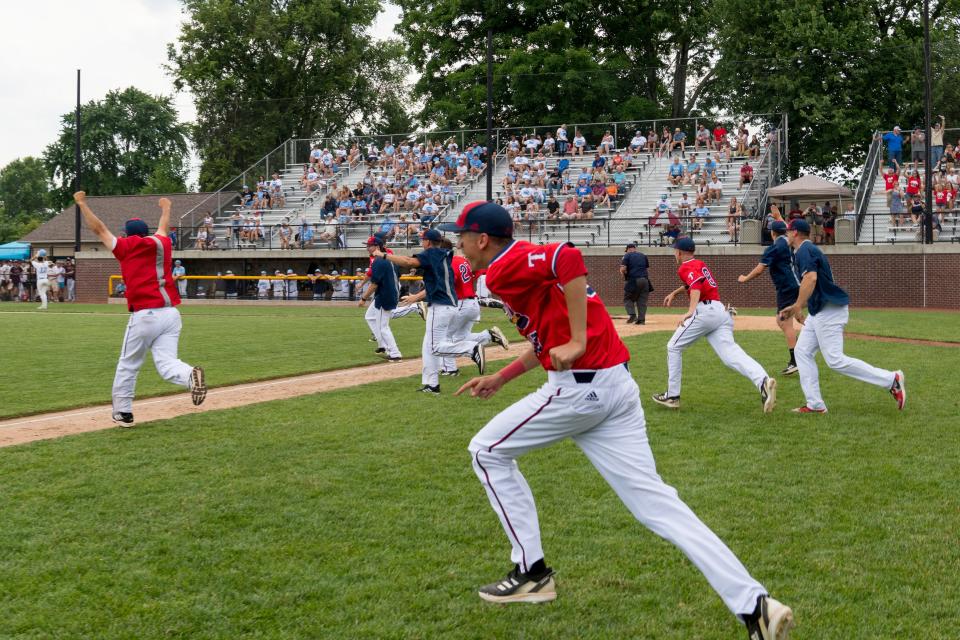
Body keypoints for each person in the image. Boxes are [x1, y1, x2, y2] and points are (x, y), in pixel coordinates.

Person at [437, 202, 794, 640]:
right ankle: (754, 605)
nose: (458, 244)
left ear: (483, 239)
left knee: (486, 451)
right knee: (658, 506)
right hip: (614, 388)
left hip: (580, 389)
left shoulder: (506, 264)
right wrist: (504, 376)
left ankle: (531, 572)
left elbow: (566, 256)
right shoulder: (516, 271)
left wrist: (578, 338)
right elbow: (549, 336)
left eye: (461, 236)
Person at [73, 191, 206, 427]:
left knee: (128, 363)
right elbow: (164, 228)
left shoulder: (125, 246)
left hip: (146, 314)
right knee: (167, 363)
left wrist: (82, 204)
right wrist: (166, 208)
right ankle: (189, 376)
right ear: (146, 233)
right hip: (171, 313)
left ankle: (123, 412)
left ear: (127, 234)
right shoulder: (161, 243)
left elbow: (99, 229)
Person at [779, 219, 905, 413]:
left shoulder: (804, 250)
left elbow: (810, 278)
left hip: (829, 310)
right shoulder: (805, 250)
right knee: (802, 352)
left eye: (788, 231)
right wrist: (800, 307)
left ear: (795, 233)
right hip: (820, 310)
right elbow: (811, 282)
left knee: (835, 360)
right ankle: (815, 405)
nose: (786, 235)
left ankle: (891, 379)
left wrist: (797, 306)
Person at [652, 237, 777, 412]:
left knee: (673, 347)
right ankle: (763, 381)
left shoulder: (685, 266)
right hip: (720, 311)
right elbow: (696, 283)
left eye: (675, 251)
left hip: (705, 312)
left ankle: (672, 396)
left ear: (679, 252)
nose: (675, 253)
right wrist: (675, 292)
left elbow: (695, 285)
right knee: (730, 355)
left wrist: (690, 310)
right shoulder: (699, 263)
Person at [373, 229, 485, 393]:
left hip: (440, 306)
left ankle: (471, 348)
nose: (422, 242)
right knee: (427, 347)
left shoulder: (432, 253)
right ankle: (431, 384)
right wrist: (417, 297)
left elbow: (407, 262)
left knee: (434, 347)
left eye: (423, 239)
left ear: (428, 242)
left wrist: (383, 255)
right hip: (449, 305)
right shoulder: (444, 254)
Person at [737, 220, 801, 375]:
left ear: (771, 233)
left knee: (784, 322)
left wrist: (745, 278)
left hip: (786, 287)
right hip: (795, 283)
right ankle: (809, 346)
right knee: (798, 317)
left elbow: (759, 270)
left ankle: (796, 360)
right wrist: (778, 217)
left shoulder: (773, 248)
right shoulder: (787, 241)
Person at [359, 244, 403, 363]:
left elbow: (374, 284)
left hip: (384, 295)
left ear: (377, 247)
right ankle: (384, 346)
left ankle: (394, 353)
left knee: (383, 327)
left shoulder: (379, 261)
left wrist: (363, 298)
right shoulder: (389, 258)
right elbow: (398, 276)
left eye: (370, 246)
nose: (367, 248)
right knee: (370, 317)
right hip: (389, 292)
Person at [620, 243, 651, 324]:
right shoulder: (643, 255)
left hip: (633, 280)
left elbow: (623, 268)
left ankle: (632, 314)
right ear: (635, 248)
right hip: (645, 280)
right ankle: (641, 320)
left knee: (627, 298)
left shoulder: (627, 255)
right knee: (642, 301)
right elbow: (647, 269)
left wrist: (624, 275)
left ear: (628, 249)